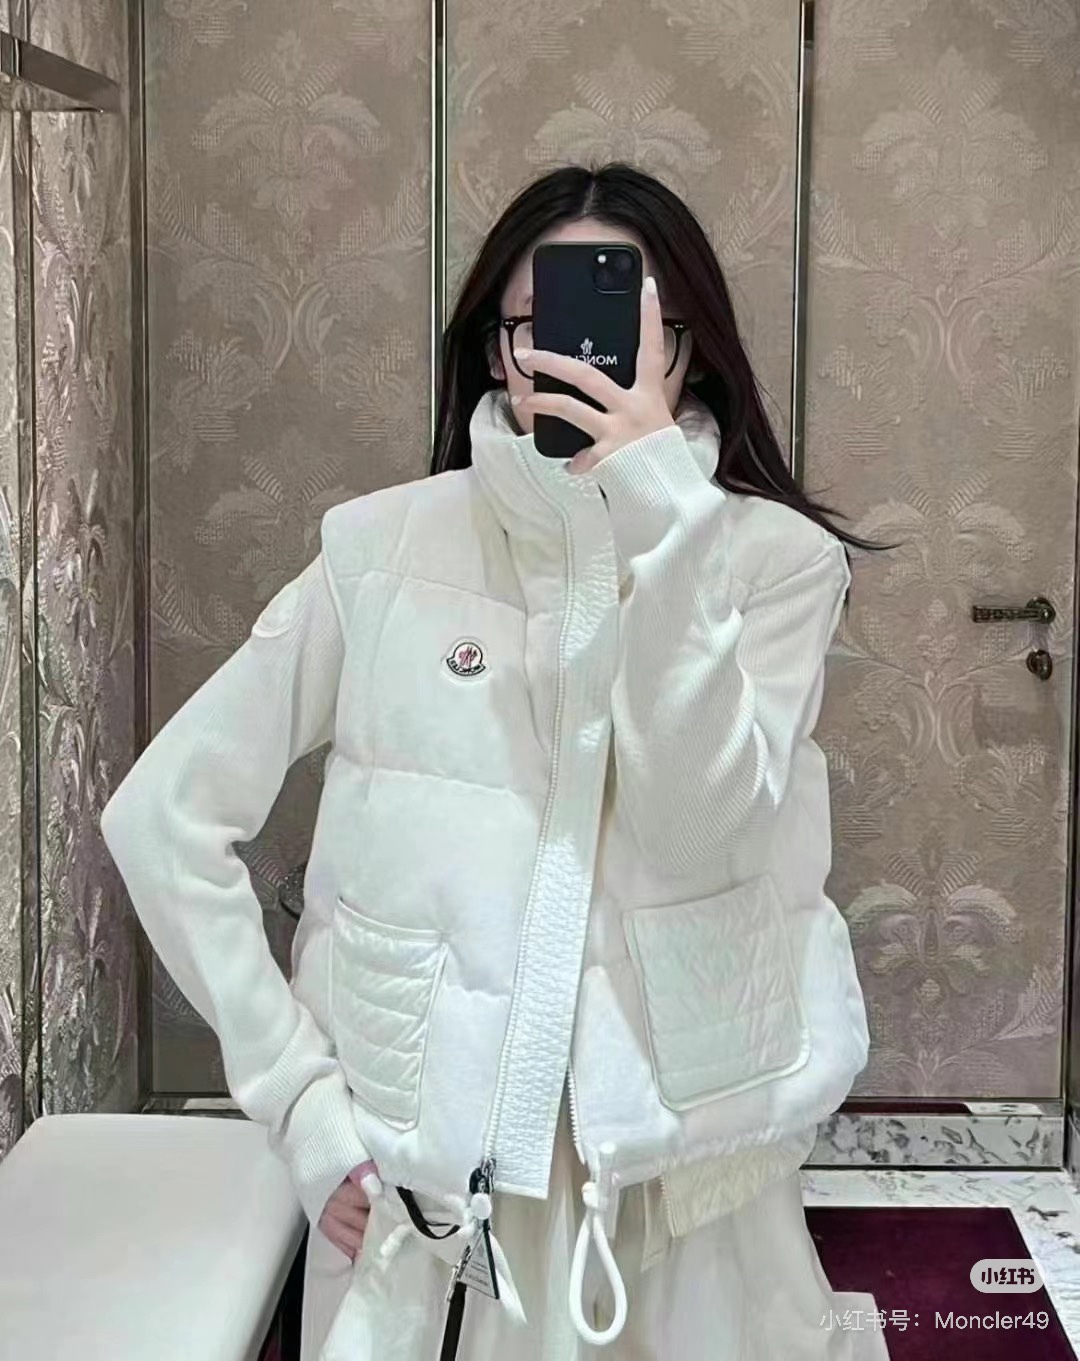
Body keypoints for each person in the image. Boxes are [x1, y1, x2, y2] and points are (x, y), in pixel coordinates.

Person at [100, 162, 895, 1361]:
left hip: (683, 1200)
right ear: (495, 352)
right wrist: (304, 1104)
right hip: (432, 1204)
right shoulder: (379, 552)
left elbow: (698, 831)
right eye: (542, 324)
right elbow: (162, 816)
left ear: (688, 351)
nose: (582, 357)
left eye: (626, 327)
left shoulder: (774, 562)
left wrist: (664, 532)